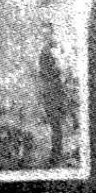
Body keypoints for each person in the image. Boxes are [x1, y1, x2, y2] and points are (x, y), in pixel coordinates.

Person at [37, 20, 70, 167]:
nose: (45, 34)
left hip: (55, 90)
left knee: (56, 124)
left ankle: (57, 154)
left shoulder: (54, 49)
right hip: (50, 90)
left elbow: (59, 71)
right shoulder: (46, 49)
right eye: (43, 32)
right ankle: (56, 153)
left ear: (51, 32)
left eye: (47, 31)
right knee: (54, 124)